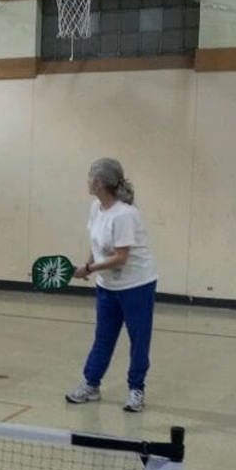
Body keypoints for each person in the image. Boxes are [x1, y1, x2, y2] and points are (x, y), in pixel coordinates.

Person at [65, 158, 157, 412]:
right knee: (103, 337)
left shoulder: (125, 215)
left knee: (139, 339)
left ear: (101, 182)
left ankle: (136, 390)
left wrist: (89, 270)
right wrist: (86, 266)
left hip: (137, 285)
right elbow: (97, 245)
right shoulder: (96, 207)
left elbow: (121, 258)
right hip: (107, 287)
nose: (87, 181)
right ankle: (91, 384)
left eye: (89, 177)